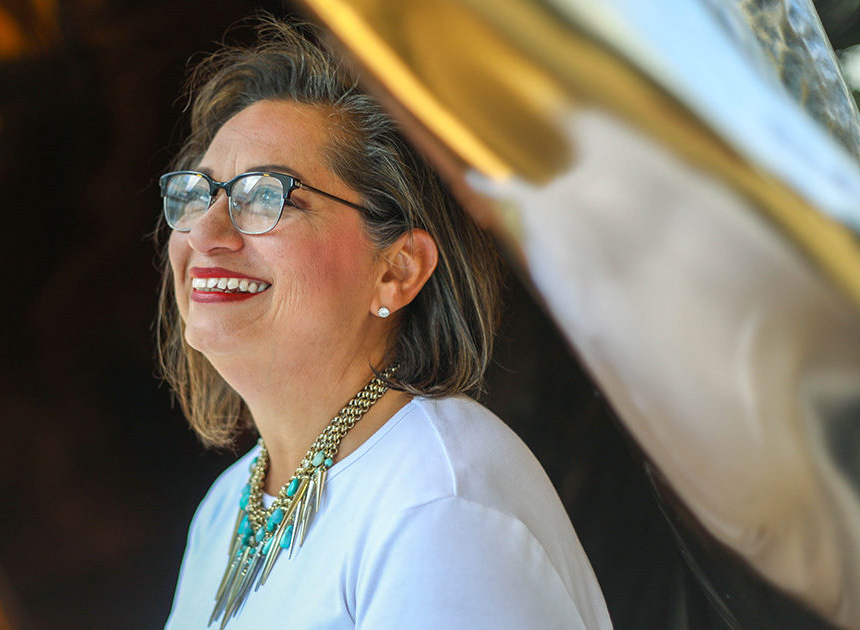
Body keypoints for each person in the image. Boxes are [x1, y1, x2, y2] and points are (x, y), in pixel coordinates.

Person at [157, 16, 611, 630]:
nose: (204, 234)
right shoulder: (226, 508)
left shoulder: (441, 503)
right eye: (198, 193)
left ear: (397, 271)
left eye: (266, 195)